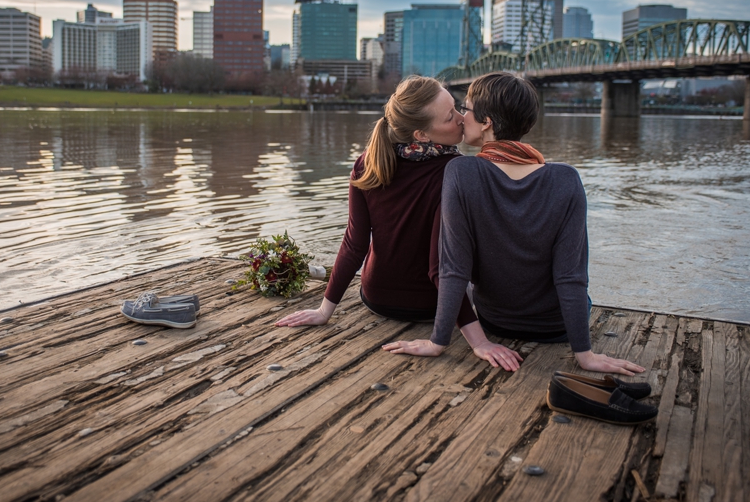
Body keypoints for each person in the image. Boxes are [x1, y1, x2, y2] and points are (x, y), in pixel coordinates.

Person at [383, 72, 644, 375]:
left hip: (497, 322)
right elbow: (570, 276)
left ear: (486, 122)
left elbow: (454, 269)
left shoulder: (461, 172)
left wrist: (437, 342)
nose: (460, 118)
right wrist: (585, 355)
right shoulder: (565, 179)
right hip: (555, 328)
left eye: (465, 109)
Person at [276, 76, 501, 360]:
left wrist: (325, 310)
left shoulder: (367, 162)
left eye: (457, 109)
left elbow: (354, 244)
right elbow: (442, 266)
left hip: (375, 298)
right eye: (449, 117)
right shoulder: (456, 171)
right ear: (421, 135)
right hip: (431, 307)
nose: (460, 119)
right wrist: (479, 342)